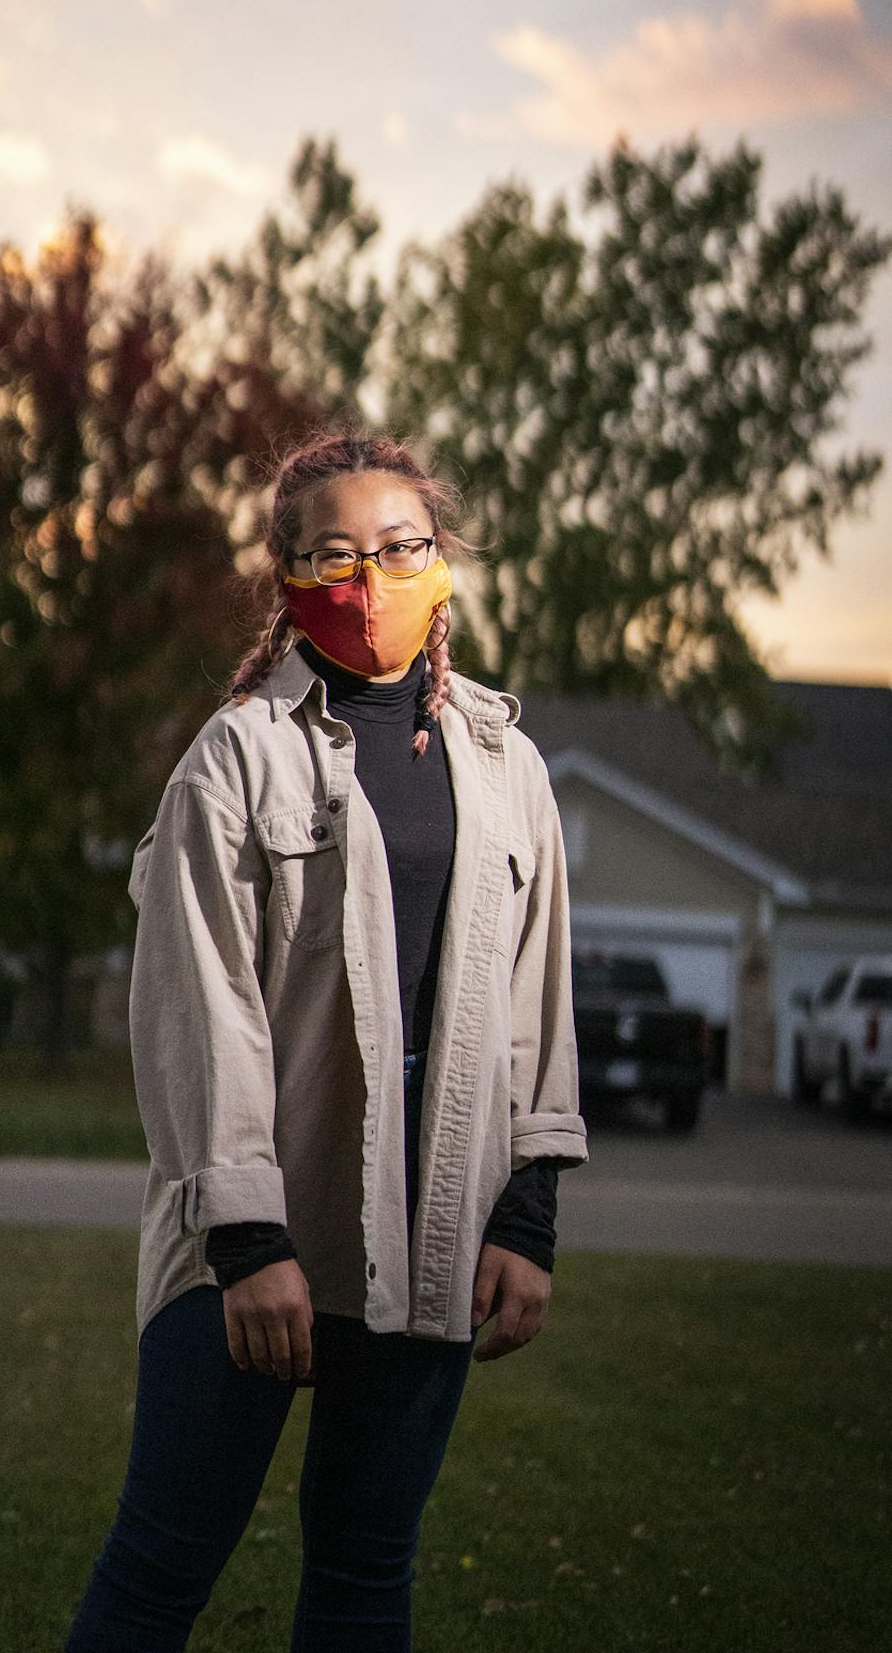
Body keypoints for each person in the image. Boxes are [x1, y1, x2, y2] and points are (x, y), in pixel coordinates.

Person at [63, 428, 587, 1652]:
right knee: (160, 1567)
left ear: (442, 560)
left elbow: (536, 997)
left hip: (434, 1230)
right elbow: (199, 1011)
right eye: (334, 554)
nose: (369, 582)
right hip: (256, 1243)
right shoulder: (234, 761)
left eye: (400, 548)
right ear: (290, 576)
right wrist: (249, 1242)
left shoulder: (508, 769)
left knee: (364, 1571)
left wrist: (526, 1214)